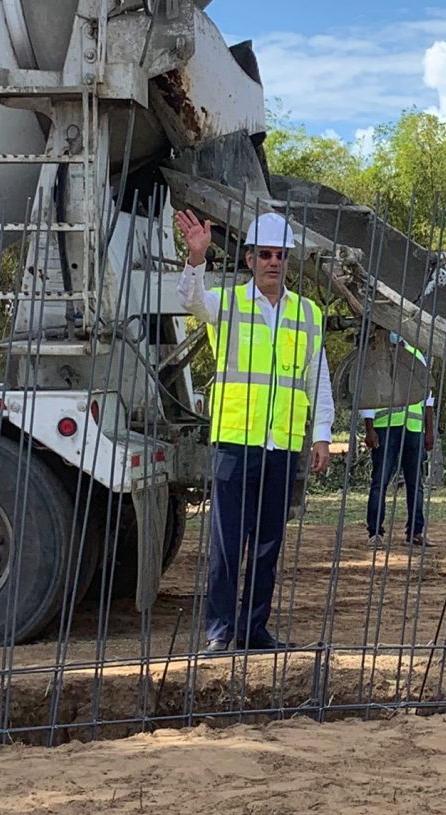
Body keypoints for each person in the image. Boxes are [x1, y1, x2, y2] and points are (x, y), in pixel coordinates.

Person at [176, 209, 333, 653]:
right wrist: (197, 258)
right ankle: (219, 631)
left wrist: (321, 432)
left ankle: (253, 630)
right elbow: (190, 300)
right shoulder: (227, 303)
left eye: (280, 255)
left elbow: (315, 377)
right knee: (227, 545)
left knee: (267, 545)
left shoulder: (307, 313)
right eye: (264, 254)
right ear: (248, 259)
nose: (272, 262)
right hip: (235, 442)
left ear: (288, 260)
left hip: (280, 444)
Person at [361, 333, 436, 549]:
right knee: (380, 482)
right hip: (384, 429)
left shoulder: (416, 356)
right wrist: (370, 428)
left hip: (413, 428)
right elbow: (368, 393)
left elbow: (428, 395)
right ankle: (375, 533)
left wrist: (429, 431)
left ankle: (416, 531)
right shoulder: (377, 357)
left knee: (416, 484)